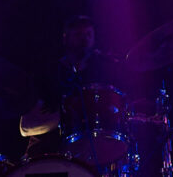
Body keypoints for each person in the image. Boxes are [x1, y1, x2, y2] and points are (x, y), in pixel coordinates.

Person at [20, 15, 129, 162]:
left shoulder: (101, 73)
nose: (84, 39)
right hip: (48, 152)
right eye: (78, 35)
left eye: (88, 34)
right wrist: (68, 117)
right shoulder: (49, 73)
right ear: (65, 38)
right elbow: (27, 126)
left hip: (88, 153)